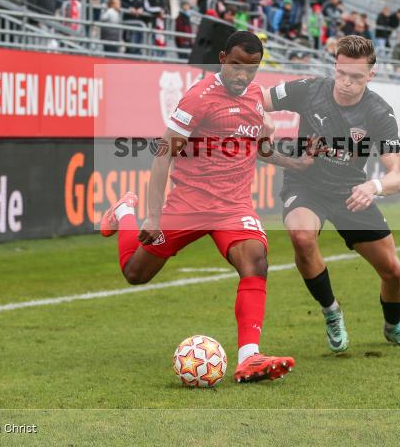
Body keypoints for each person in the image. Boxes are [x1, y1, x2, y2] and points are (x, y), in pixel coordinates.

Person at [99, 31, 304, 383]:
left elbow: (260, 149)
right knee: (135, 274)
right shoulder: (199, 98)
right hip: (188, 204)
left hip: (233, 206)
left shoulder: (255, 96)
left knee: (255, 260)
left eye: (252, 68)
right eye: (237, 66)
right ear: (222, 58)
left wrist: (297, 164)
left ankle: (249, 358)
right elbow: (163, 155)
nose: (243, 75)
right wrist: (152, 215)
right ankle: (124, 212)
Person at [262, 35, 400, 353]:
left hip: (352, 193)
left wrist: (372, 187)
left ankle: (394, 327)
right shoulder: (308, 89)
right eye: (342, 73)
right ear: (335, 66)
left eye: (356, 77)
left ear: (371, 75)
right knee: (301, 236)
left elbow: (398, 177)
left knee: (393, 271)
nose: (346, 83)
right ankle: (331, 312)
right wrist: (262, 117)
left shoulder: (379, 113)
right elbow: (255, 98)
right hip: (305, 185)